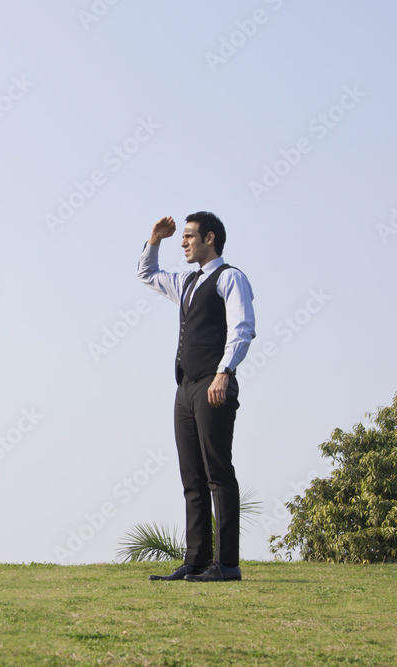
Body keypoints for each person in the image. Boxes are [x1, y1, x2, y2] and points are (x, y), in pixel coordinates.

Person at [137, 212, 255, 582]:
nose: (183, 243)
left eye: (188, 237)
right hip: (185, 387)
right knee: (192, 476)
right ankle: (197, 561)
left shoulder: (230, 277)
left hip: (213, 382)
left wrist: (224, 372)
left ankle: (227, 564)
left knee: (218, 473)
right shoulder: (187, 282)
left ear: (210, 238)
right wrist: (155, 238)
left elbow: (242, 327)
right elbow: (147, 274)